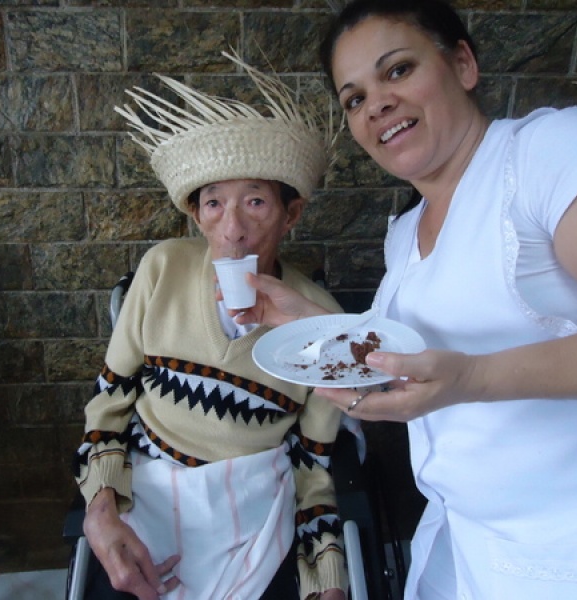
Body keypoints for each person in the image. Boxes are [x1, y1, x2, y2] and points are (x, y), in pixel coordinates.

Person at [232, 0, 577, 598]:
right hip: (465, 544)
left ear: (463, 64)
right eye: (354, 97)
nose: (376, 103)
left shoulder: (550, 153)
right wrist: (314, 323)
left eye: (397, 70)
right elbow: (410, 358)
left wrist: (474, 378)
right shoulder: (407, 233)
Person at [73, 52, 348, 600]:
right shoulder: (161, 269)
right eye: (214, 204)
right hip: (149, 486)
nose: (234, 230)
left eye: (255, 202)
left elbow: (312, 466)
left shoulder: (321, 320)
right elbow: (110, 403)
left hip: (250, 510)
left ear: (291, 214)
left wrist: (327, 578)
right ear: (196, 214)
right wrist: (100, 510)